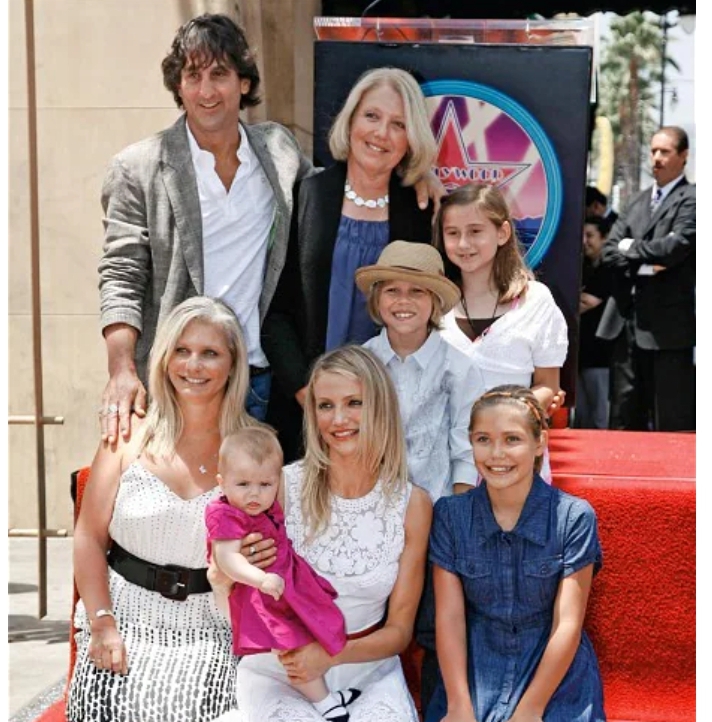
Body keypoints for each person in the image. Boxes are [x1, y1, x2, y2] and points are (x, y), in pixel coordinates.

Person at [98, 16, 438, 440]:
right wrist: (121, 369)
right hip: (183, 383)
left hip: (261, 385)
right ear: (178, 85)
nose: (207, 91)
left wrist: (416, 173)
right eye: (193, 76)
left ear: (243, 83)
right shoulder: (138, 168)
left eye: (220, 74)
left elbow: (345, 191)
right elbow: (121, 276)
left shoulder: (277, 151)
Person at [191, 345, 434, 722]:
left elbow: (401, 631)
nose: (339, 419)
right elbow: (233, 582)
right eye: (326, 405)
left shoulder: (413, 503)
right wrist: (223, 574)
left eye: (354, 403)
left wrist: (330, 657)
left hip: (363, 668)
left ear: (380, 407)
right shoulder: (278, 484)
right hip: (279, 669)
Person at [48, 296, 256, 722]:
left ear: (232, 364)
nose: (193, 365)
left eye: (210, 353)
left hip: (205, 627)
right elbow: (87, 536)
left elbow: (269, 550)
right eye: (181, 350)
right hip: (124, 618)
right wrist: (101, 623)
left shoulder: (252, 445)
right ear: (164, 360)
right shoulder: (127, 435)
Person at [421, 385, 606, 722]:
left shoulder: (573, 517)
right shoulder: (451, 516)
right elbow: (449, 618)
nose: (496, 454)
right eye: (483, 440)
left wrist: (530, 710)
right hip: (477, 657)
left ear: (539, 442)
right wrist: (458, 705)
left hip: (549, 660)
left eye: (512, 439)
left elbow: (568, 624)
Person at [261, 66, 438, 462]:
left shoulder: (422, 210)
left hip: (393, 418)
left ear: (411, 139)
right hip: (306, 414)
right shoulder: (305, 197)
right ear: (351, 119)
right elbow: (275, 313)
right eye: (372, 116)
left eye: (398, 124)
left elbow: (437, 314)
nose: (380, 133)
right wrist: (314, 397)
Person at [205, 426, 359, 722]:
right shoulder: (223, 514)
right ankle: (324, 702)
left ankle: (325, 692)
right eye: (243, 484)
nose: (254, 493)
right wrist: (259, 579)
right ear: (221, 483)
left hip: (285, 584)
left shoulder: (263, 505)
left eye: (265, 484)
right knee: (292, 646)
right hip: (260, 597)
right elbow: (227, 559)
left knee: (317, 627)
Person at [433, 183, 568, 483]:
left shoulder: (536, 300)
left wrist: (506, 422)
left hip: (511, 466)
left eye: (475, 231)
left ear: (502, 233)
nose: (464, 243)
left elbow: (548, 385)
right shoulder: (433, 301)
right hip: (442, 464)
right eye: (452, 233)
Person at [356, 240, 485, 503]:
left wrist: (457, 517)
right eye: (392, 290)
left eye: (417, 291)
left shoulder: (458, 367)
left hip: (438, 508)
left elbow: (466, 449)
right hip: (370, 507)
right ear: (377, 297)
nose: (404, 301)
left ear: (435, 300)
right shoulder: (361, 363)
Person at [597, 126, 695, 432]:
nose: (656, 158)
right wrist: (645, 264)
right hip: (625, 324)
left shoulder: (692, 200)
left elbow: (674, 248)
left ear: (683, 156)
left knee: (671, 419)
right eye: (653, 151)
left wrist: (631, 249)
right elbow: (609, 252)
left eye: (665, 152)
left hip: (668, 330)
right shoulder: (637, 202)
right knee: (624, 417)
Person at [575, 215, 614, 429]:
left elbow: (587, 302)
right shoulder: (583, 266)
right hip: (580, 355)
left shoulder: (608, 268)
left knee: (600, 417)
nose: (584, 241)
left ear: (605, 238)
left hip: (600, 355)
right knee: (582, 418)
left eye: (590, 235)